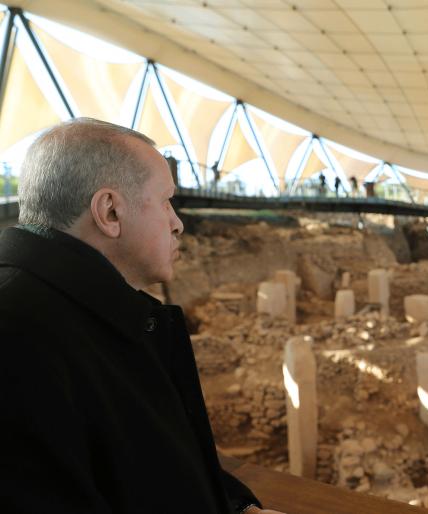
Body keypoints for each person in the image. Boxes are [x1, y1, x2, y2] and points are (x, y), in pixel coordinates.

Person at [0, 118, 283, 514]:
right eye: (165, 201)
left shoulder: (92, 310)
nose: (177, 222)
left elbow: (150, 466)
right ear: (110, 211)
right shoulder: (16, 333)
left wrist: (235, 507)